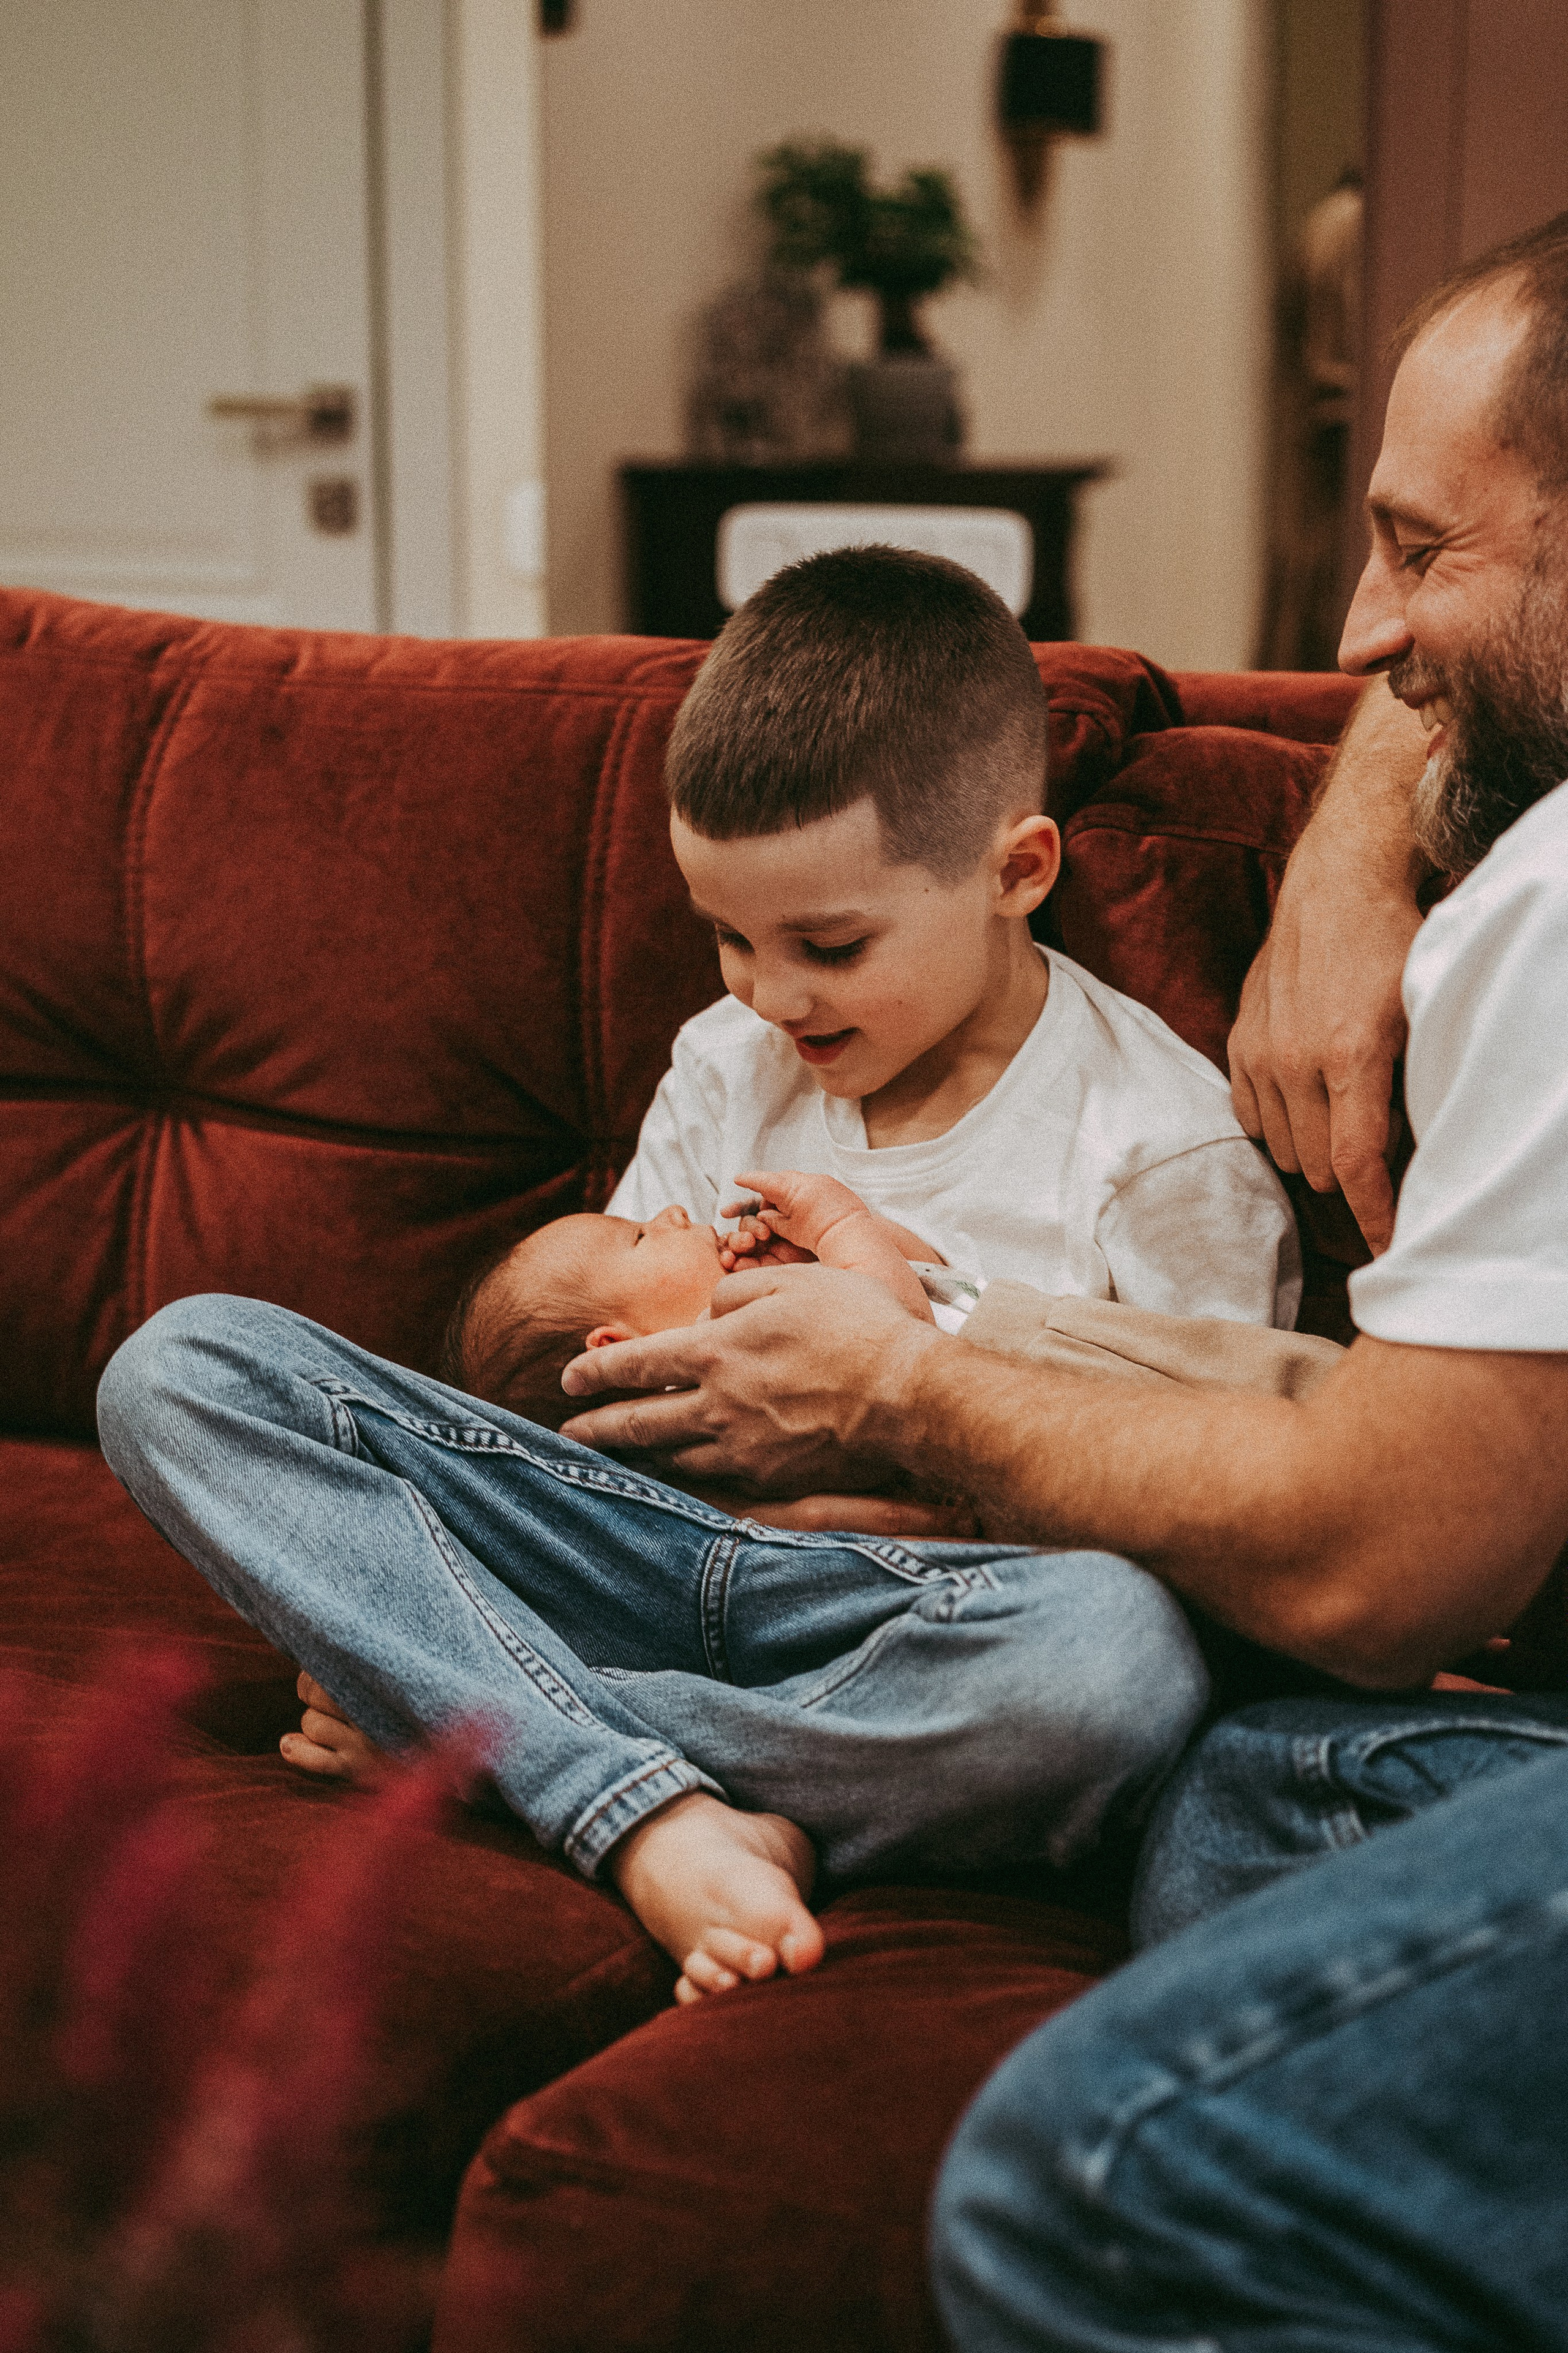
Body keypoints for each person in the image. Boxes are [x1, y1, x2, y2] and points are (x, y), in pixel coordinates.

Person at [609, 213, 1568, 2348]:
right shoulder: (1513, 855)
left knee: (1084, 2163)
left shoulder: (1536, 922)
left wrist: (902, 1381)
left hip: (1188, 1601)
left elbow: (1389, 1561)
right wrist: (1355, 842)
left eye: (1424, 549)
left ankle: (533, 1723)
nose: (1357, 622)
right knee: (1237, 1793)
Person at [96, 548, 1297, 2007]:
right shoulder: (730, 1060)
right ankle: (639, 1793)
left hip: (920, 1614)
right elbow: (593, 1370)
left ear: (1015, 871)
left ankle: (506, 1740)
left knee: (1117, 1674)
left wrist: (930, 1450)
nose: (767, 994)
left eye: (828, 945)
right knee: (184, 1368)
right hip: (650, 1551)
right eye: (725, 935)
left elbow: (1232, 1530)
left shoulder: (1153, 1148)